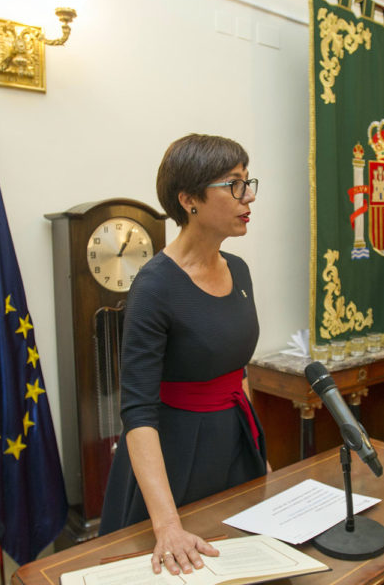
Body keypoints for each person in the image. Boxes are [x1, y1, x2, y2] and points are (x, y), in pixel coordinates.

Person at [98, 134, 267, 575]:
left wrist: (258, 451)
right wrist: (167, 525)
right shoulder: (154, 287)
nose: (247, 196)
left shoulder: (241, 270)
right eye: (233, 185)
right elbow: (137, 411)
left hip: (235, 442)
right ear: (189, 199)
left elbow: (237, 370)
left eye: (249, 183)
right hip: (175, 456)